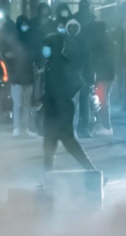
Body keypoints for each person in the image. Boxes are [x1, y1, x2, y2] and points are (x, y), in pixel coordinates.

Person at [36, 33, 97, 172]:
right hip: (53, 108)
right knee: (49, 144)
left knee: (68, 143)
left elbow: (78, 83)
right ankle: (48, 179)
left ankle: (93, 172)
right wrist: (47, 98)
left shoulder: (63, 63)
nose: (44, 50)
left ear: (54, 47)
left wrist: (62, 96)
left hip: (62, 109)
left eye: (47, 47)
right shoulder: (50, 63)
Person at [7, 16, 39, 137]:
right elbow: (9, 57)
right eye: (23, 24)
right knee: (18, 104)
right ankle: (16, 127)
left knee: (26, 104)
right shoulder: (14, 39)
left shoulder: (31, 39)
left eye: (26, 24)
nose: (25, 26)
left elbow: (35, 55)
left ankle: (24, 127)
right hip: (16, 77)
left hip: (28, 76)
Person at [63, 19, 95, 138]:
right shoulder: (63, 41)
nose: (72, 29)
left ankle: (82, 128)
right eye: (70, 27)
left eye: (74, 27)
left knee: (83, 104)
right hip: (67, 79)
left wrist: (88, 78)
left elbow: (88, 61)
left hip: (82, 79)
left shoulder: (83, 42)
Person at [88, 21, 117, 135]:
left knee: (101, 101)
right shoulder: (109, 41)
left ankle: (106, 126)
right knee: (104, 99)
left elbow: (95, 59)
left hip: (101, 75)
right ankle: (105, 125)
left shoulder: (97, 42)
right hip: (109, 75)